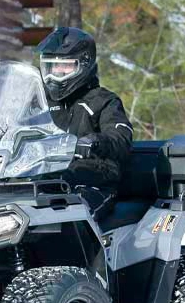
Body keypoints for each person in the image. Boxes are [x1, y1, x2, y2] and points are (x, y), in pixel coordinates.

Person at [36, 27, 133, 213]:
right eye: (52, 66)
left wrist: (95, 142)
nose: (57, 73)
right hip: (49, 177)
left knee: (70, 214)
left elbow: (121, 136)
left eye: (65, 66)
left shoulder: (103, 100)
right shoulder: (40, 103)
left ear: (83, 64)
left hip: (93, 182)